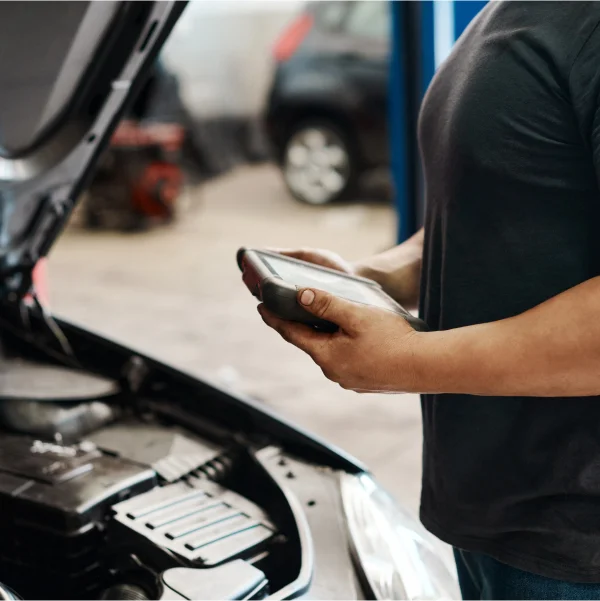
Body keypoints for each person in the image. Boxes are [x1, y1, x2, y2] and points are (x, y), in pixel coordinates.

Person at [256, 3, 600, 600]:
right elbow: (497, 202)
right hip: (495, 508)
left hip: (574, 541)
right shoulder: (508, 11)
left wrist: (405, 362)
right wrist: (374, 277)